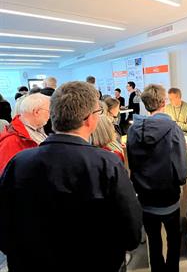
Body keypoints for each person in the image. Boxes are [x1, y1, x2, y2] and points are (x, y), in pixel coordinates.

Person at [0, 81, 142, 272]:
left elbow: (5, 224)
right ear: (90, 119)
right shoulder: (107, 164)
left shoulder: (18, 162)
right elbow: (131, 233)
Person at [127, 84, 187, 272]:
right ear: (163, 102)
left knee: (153, 240)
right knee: (173, 238)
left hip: (144, 197)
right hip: (169, 196)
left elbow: (133, 164)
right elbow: (182, 170)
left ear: (146, 104)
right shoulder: (173, 129)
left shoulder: (132, 130)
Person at [0, 93, 50, 174]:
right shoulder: (11, 141)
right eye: (49, 111)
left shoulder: (36, 129)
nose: (50, 115)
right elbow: (7, 176)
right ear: (36, 112)